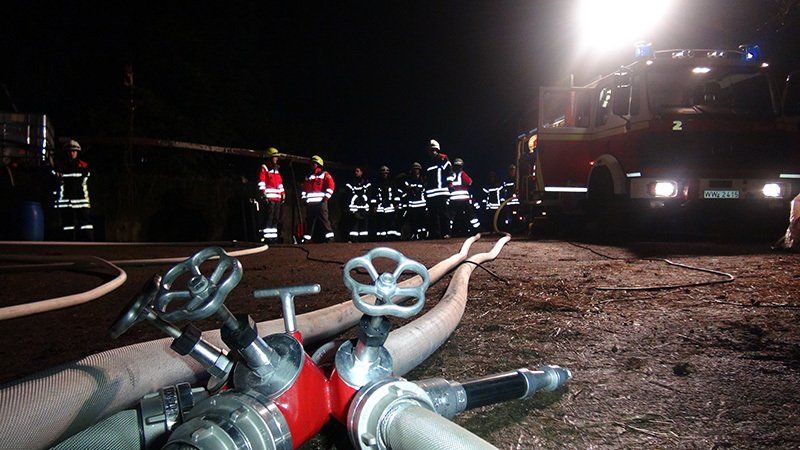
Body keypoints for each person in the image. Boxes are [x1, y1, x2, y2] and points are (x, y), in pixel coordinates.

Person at [54, 140, 93, 240]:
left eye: (74, 151)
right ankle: (69, 243)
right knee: (68, 226)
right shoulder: (60, 167)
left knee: (85, 225)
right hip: (66, 201)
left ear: (77, 152)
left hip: (81, 201)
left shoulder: (84, 166)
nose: (72, 154)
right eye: (69, 151)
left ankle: (88, 243)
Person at [301, 155, 335, 243]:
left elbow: (331, 185)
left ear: (319, 164)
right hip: (310, 203)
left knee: (324, 220)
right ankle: (307, 239)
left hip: (321, 202)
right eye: (312, 163)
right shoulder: (308, 176)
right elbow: (304, 189)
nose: (313, 165)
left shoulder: (324, 174)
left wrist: (326, 197)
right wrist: (304, 198)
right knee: (309, 221)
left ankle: (330, 238)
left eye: (315, 163)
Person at [424, 139, 453, 239]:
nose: (431, 152)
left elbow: (449, 173)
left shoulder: (443, 158)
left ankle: (446, 233)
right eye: (430, 150)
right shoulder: (428, 162)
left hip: (442, 192)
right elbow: (427, 179)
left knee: (444, 214)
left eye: (433, 150)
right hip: (431, 194)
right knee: (433, 215)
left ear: (437, 149)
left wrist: (450, 185)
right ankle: (436, 234)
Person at [257, 147, 285, 243]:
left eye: (277, 157)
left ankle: (273, 238)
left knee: (276, 218)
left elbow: (279, 183)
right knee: (269, 218)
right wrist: (264, 193)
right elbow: (262, 182)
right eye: (274, 157)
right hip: (269, 198)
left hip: (277, 198)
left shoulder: (276, 170)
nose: (276, 159)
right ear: (269, 157)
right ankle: (267, 238)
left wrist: (283, 193)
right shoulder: (264, 168)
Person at [448, 158, 480, 236]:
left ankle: (449, 231)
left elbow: (448, 184)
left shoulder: (451, 175)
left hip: (453, 199)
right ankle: (477, 230)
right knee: (470, 215)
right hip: (463, 199)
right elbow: (469, 182)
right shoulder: (462, 174)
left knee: (451, 216)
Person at [370, 165, 401, 240]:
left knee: (391, 223)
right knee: (381, 223)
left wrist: (396, 204)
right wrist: (374, 206)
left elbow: (395, 194)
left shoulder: (392, 183)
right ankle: (381, 238)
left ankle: (392, 238)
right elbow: (374, 196)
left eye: (386, 173)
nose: (385, 174)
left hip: (390, 207)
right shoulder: (376, 183)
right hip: (380, 207)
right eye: (383, 173)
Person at [343, 167, 370, 242]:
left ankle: (363, 240)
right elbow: (348, 195)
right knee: (353, 225)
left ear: (362, 172)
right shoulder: (350, 183)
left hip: (364, 208)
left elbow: (368, 194)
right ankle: (353, 240)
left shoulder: (366, 183)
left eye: (358, 171)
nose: (356, 172)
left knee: (363, 226)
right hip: (354, 208)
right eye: (355, 171)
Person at [402, 162, 427, 239]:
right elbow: (406, 189)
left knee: (422, 222)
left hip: (422, 204)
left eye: (417, 169)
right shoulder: (408, 180)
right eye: (414, 169)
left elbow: (425, 190)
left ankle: (423, 235)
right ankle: (414, 235)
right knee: (413, 221)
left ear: (419, 170)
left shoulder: (423, 179)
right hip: (412, 205)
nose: (416, 171)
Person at [501, 164, 523, 230]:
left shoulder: (518, 179)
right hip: (509, 201)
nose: (512, 171)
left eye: (513, 170)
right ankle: (510, 227)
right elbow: (504, 189)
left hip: (517, 202)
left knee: (517, 215)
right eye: (511, 170)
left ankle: (518, 227)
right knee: (509, 215)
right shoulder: (507, 180)